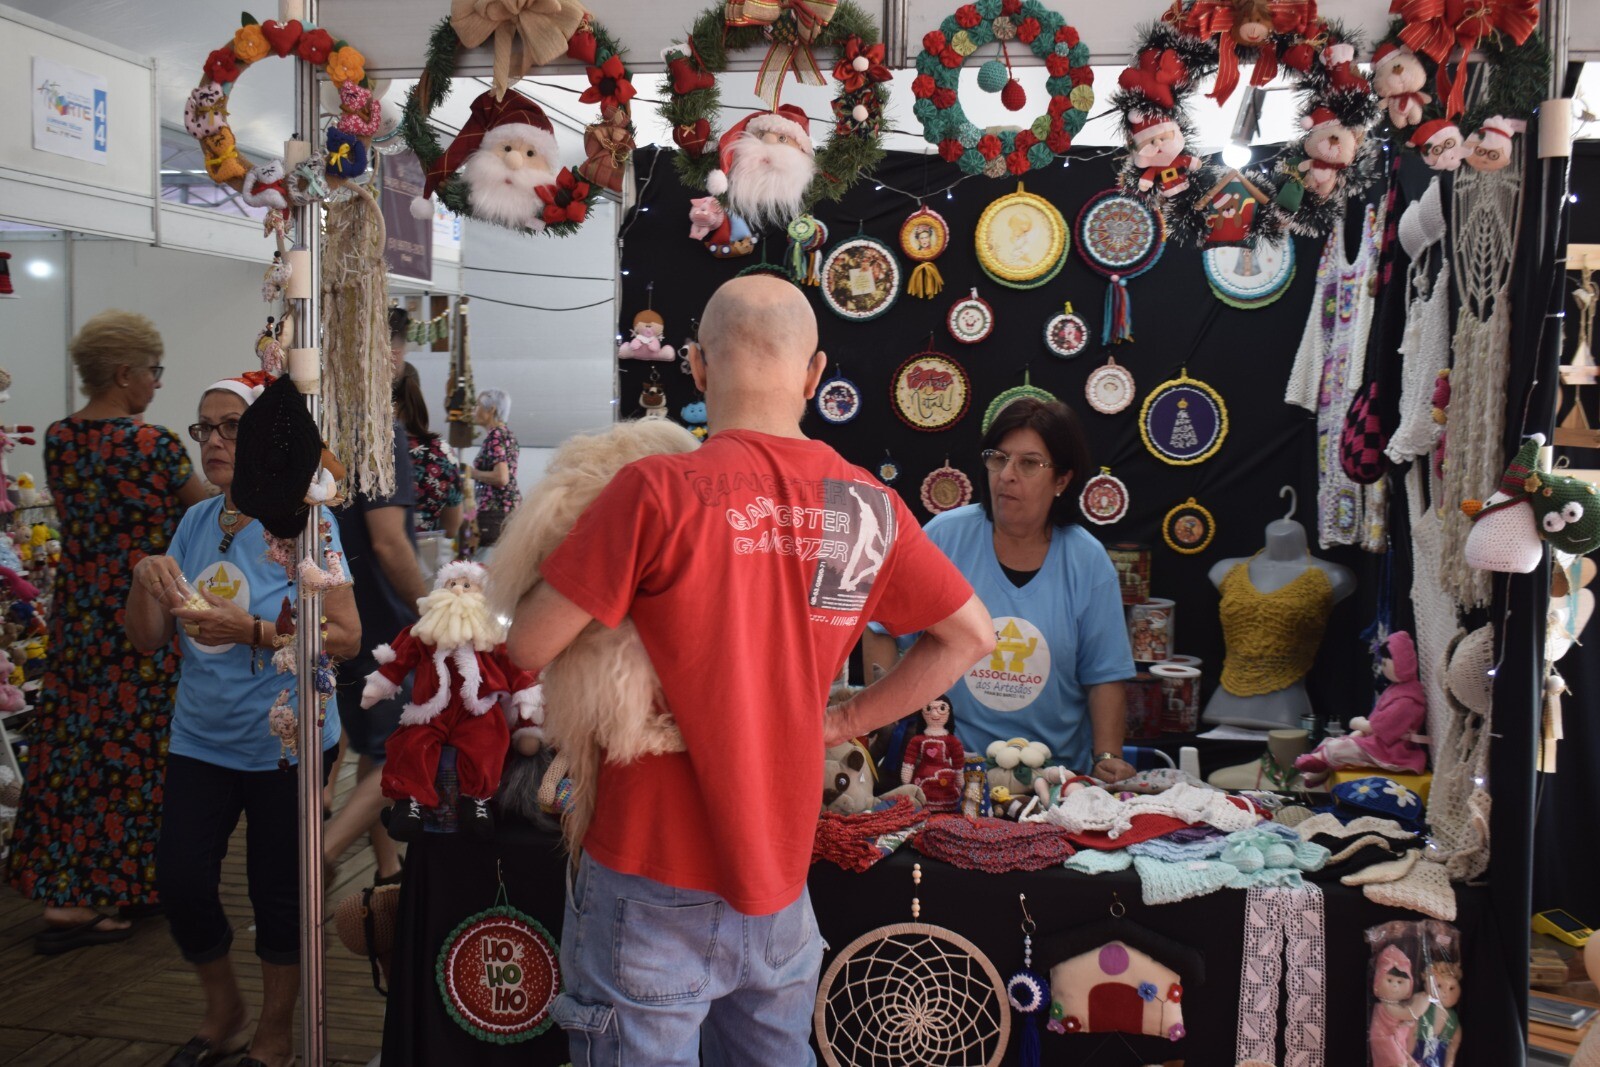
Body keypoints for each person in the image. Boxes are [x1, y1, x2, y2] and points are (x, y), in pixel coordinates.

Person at [504, 275, 992, 1066]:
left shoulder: (653, 488)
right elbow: (969, 635)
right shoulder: (864, 506)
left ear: (696, 367)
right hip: (778, 877)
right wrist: (843, 720)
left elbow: (527, 644)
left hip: (646, 866)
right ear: (813, 373)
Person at [126, 374, 359, 1067]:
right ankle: (223, 1006)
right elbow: (147, 638)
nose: (217, 441)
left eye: (233, 425)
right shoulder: (196, 522)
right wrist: (144, 577)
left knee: (278, 893)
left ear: (264, 438)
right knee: (181, 880)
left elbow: (346, 632)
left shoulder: (306, 521)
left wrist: (256, 630)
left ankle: (276, 1032)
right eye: (206, 428)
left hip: (284, 744)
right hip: (200, 737)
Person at [6, 309, 209, 954]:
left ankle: (68, 893)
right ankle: (121, 889)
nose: (156, 383)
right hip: (139, 616)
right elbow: (207, 509)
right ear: (124, 373)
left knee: (71, 750)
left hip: (77, 616)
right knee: (135, 754)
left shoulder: (60, 439)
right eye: (153, 371)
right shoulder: (154, 445)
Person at [865, 398, 1138, 783]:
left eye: (1028, 464)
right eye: (999, 458)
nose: (1007, 475)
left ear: (1061, 480)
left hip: (1057, 780)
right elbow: (881, 628)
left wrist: (1106, 757)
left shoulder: (1087, 561)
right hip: (949, 776)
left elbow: (1104, 676)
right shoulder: (945, 537)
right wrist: (887, 727)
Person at [326, 309, 428, 886]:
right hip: (380, 620)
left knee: (370, 744)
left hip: (327, 612)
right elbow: (391, 545)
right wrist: (435, 609)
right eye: (396, 346)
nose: (399, 358)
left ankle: (388, 868)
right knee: (398, 749)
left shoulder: (316, 425)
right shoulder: (377, 433)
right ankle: (328, 849)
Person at [395, 361, 463, 575]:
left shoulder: (368, 451)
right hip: (424, 570)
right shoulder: (442, 453)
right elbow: (452, 528)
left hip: (372, 572)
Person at [466, 388, 518, 548]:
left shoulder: (495, 435)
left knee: (486, 564)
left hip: (494, 513)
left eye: (478, 406)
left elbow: (501, 478)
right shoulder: (507, 435)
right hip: (508, 511)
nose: (474, 410)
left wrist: (471, 473)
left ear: (491, 410)